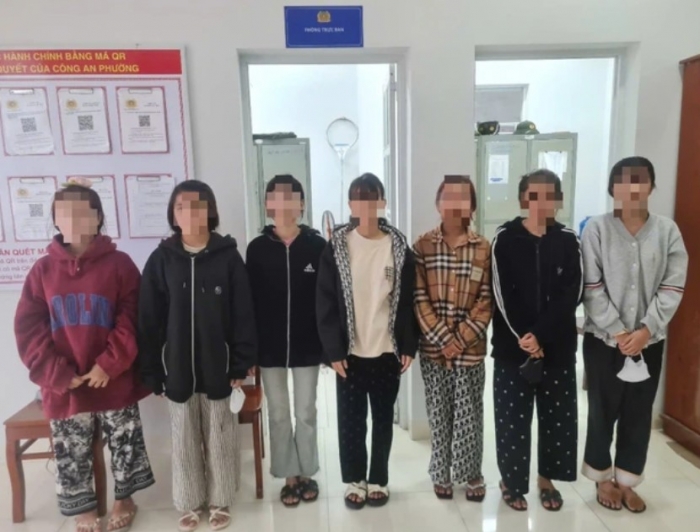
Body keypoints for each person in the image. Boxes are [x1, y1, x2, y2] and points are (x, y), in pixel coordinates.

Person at [14, 177, 154, 532]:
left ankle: (125, 498)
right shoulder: (42, 271)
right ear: (55, 220)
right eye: (66, 214)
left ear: (98, 218)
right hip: (66, 382)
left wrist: (109, 364)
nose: (75, 221)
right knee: (70, 445)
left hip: (113, 376)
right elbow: (29, 328)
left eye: (83, 213)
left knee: (125, 439)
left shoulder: (120, 264)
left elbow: (133, 317)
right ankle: (83, 508)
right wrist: (57, 373)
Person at [138, 180, 256, 532]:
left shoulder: (228, 257)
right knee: (184, 439)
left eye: (197, 205)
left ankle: (221, 499)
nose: (189, 212)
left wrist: (240, 363)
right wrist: (152, 371)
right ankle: (188, 501)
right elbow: (148, 319)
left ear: (210, 211)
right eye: (181, 206)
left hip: (220, 366)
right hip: (176, 368)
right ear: (173, 215)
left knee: (220, 437)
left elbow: (243, 314)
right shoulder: (161, 259)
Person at [581, 157, 687, 513]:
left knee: (639, 413)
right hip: (603, 341)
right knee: (602, 411)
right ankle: (602, 478)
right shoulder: (597, 229)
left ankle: (627, 480)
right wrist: (618, 330)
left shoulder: (667, 231)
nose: (631, 188)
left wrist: (645, 330)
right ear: (612, 188)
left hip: (648, 343)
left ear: (651, 187)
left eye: (640, 180)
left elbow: (673, 285)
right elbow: (591, 286)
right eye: (623, 181)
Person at [316, 172, 418, 510]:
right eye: (360, 198)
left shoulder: (398, 247)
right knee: (351, 421)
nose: (367, 205)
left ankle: (378, 479)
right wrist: (333, 350)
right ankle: (355, 479)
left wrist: (408, 345)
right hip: (350, 352)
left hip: (387, 350)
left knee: (383, 419)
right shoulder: (337, 246)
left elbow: (408, 301)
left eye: (373, 198)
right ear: (351, 204)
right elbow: (325, 302)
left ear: (383, 202)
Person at [491, 169, 582, 512]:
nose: (541, 202)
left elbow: (571, 293)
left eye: (549, 195)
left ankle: (547, 479)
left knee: (557, 419)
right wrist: (526, 337)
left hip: (557, 347)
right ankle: (511, 482)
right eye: (533, 196)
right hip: (513, 348)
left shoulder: (569, 240)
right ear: (522, 200)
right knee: (512, 421)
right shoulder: (505, 238)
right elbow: (501, 293)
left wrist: (541, 335)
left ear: (558, 200)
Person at [246, 174, 326, 508]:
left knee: (305, 411)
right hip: (270, 347)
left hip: (308, 346)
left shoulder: (317, 246)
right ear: (268, 205)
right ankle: (288, 474)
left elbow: (327, 299)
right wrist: (249, 351)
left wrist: (329, 345)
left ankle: (307, 471)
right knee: (279, 412)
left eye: (290, 197)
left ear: (301, 204)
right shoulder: (257, 249)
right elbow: (249, 303)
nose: (283, 204)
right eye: (276, 197)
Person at [413, 175, 492, 502]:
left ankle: (471, 473)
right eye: (448, 197)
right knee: (439, 413)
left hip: (470, 351)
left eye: (463, 198)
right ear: (438, 203)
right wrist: (443, 339)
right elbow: (419, 298)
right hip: (434, 351)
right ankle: (440, 472)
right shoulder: (423, 246)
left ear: (472, 206)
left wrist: (459, 340)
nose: (455, 204)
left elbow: (486, 300)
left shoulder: (483, 247)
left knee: (469, 414)